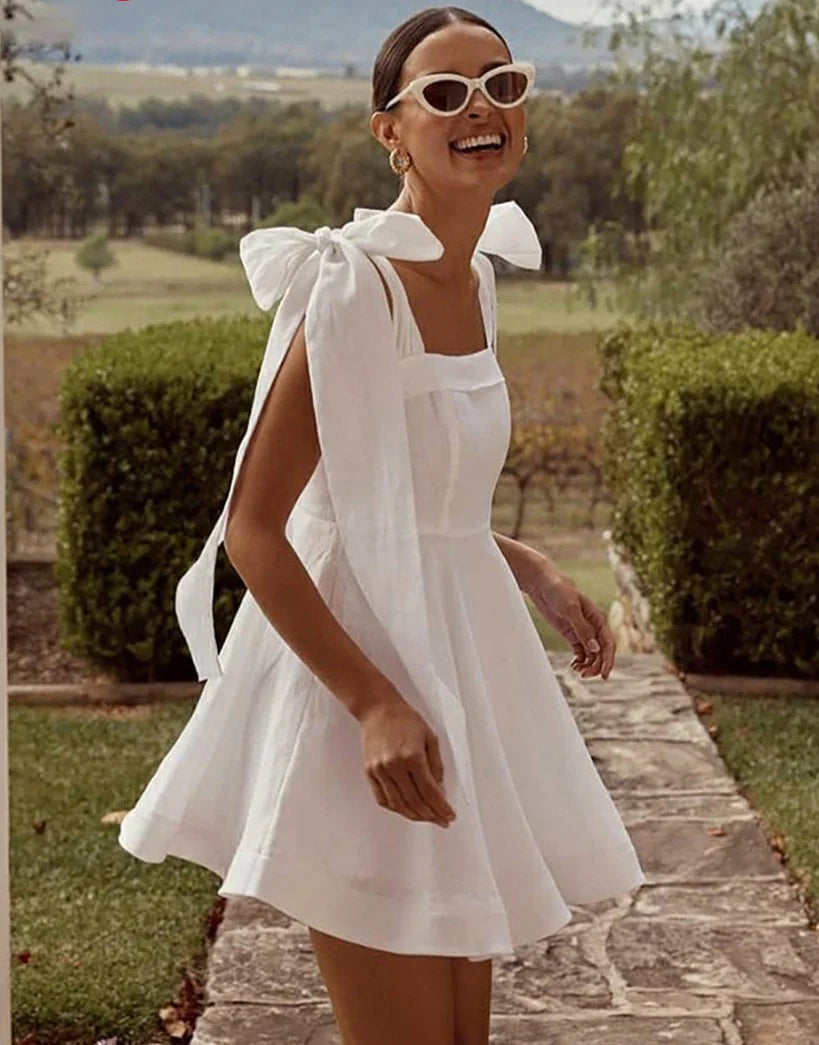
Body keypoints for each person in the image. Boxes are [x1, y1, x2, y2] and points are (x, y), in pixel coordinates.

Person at [119, 7, 647, 1044]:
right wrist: (372, 705)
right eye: (444, 94)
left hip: (453, 667)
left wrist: (528, 563)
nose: (481, 109)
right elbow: (256, 530)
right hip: (359, 686)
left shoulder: (478, 276)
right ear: (390, 131)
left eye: (502, 83)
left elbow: (400, 491)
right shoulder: (357, 288)